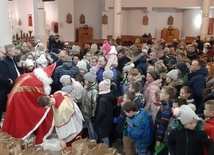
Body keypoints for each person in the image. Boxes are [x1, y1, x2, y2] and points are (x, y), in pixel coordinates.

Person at [2, 63, 56, 144]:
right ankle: (21, 136)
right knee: (42, 111)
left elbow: (18, 78)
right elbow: (41, 98)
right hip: (20, 102)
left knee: (15, 118)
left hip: (14, 99)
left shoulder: (30, 75)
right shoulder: (38, 83)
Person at [94, 79, 114, 147]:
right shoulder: (110, 95)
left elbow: (101, 112)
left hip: (103, 122)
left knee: (104, 136)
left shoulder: (102, 99)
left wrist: (96, 121)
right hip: (109, 118)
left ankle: (106, 150)